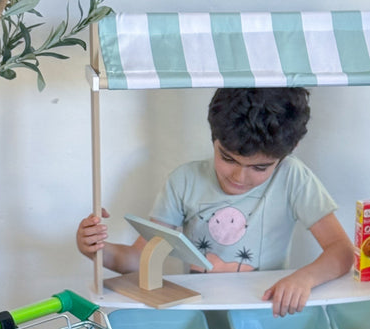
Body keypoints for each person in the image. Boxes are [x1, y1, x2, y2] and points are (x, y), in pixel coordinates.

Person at [76, 87, 354, 317]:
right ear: (214, 138)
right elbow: (138, 261)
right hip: (200, 319)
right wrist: (94, 248)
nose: (239, 177)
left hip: (263, 317)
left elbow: (341, 251)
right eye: (228, 158)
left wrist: (304, 278)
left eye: (259, 168)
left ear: (289, 152)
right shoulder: (184, 180)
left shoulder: (292, 177)